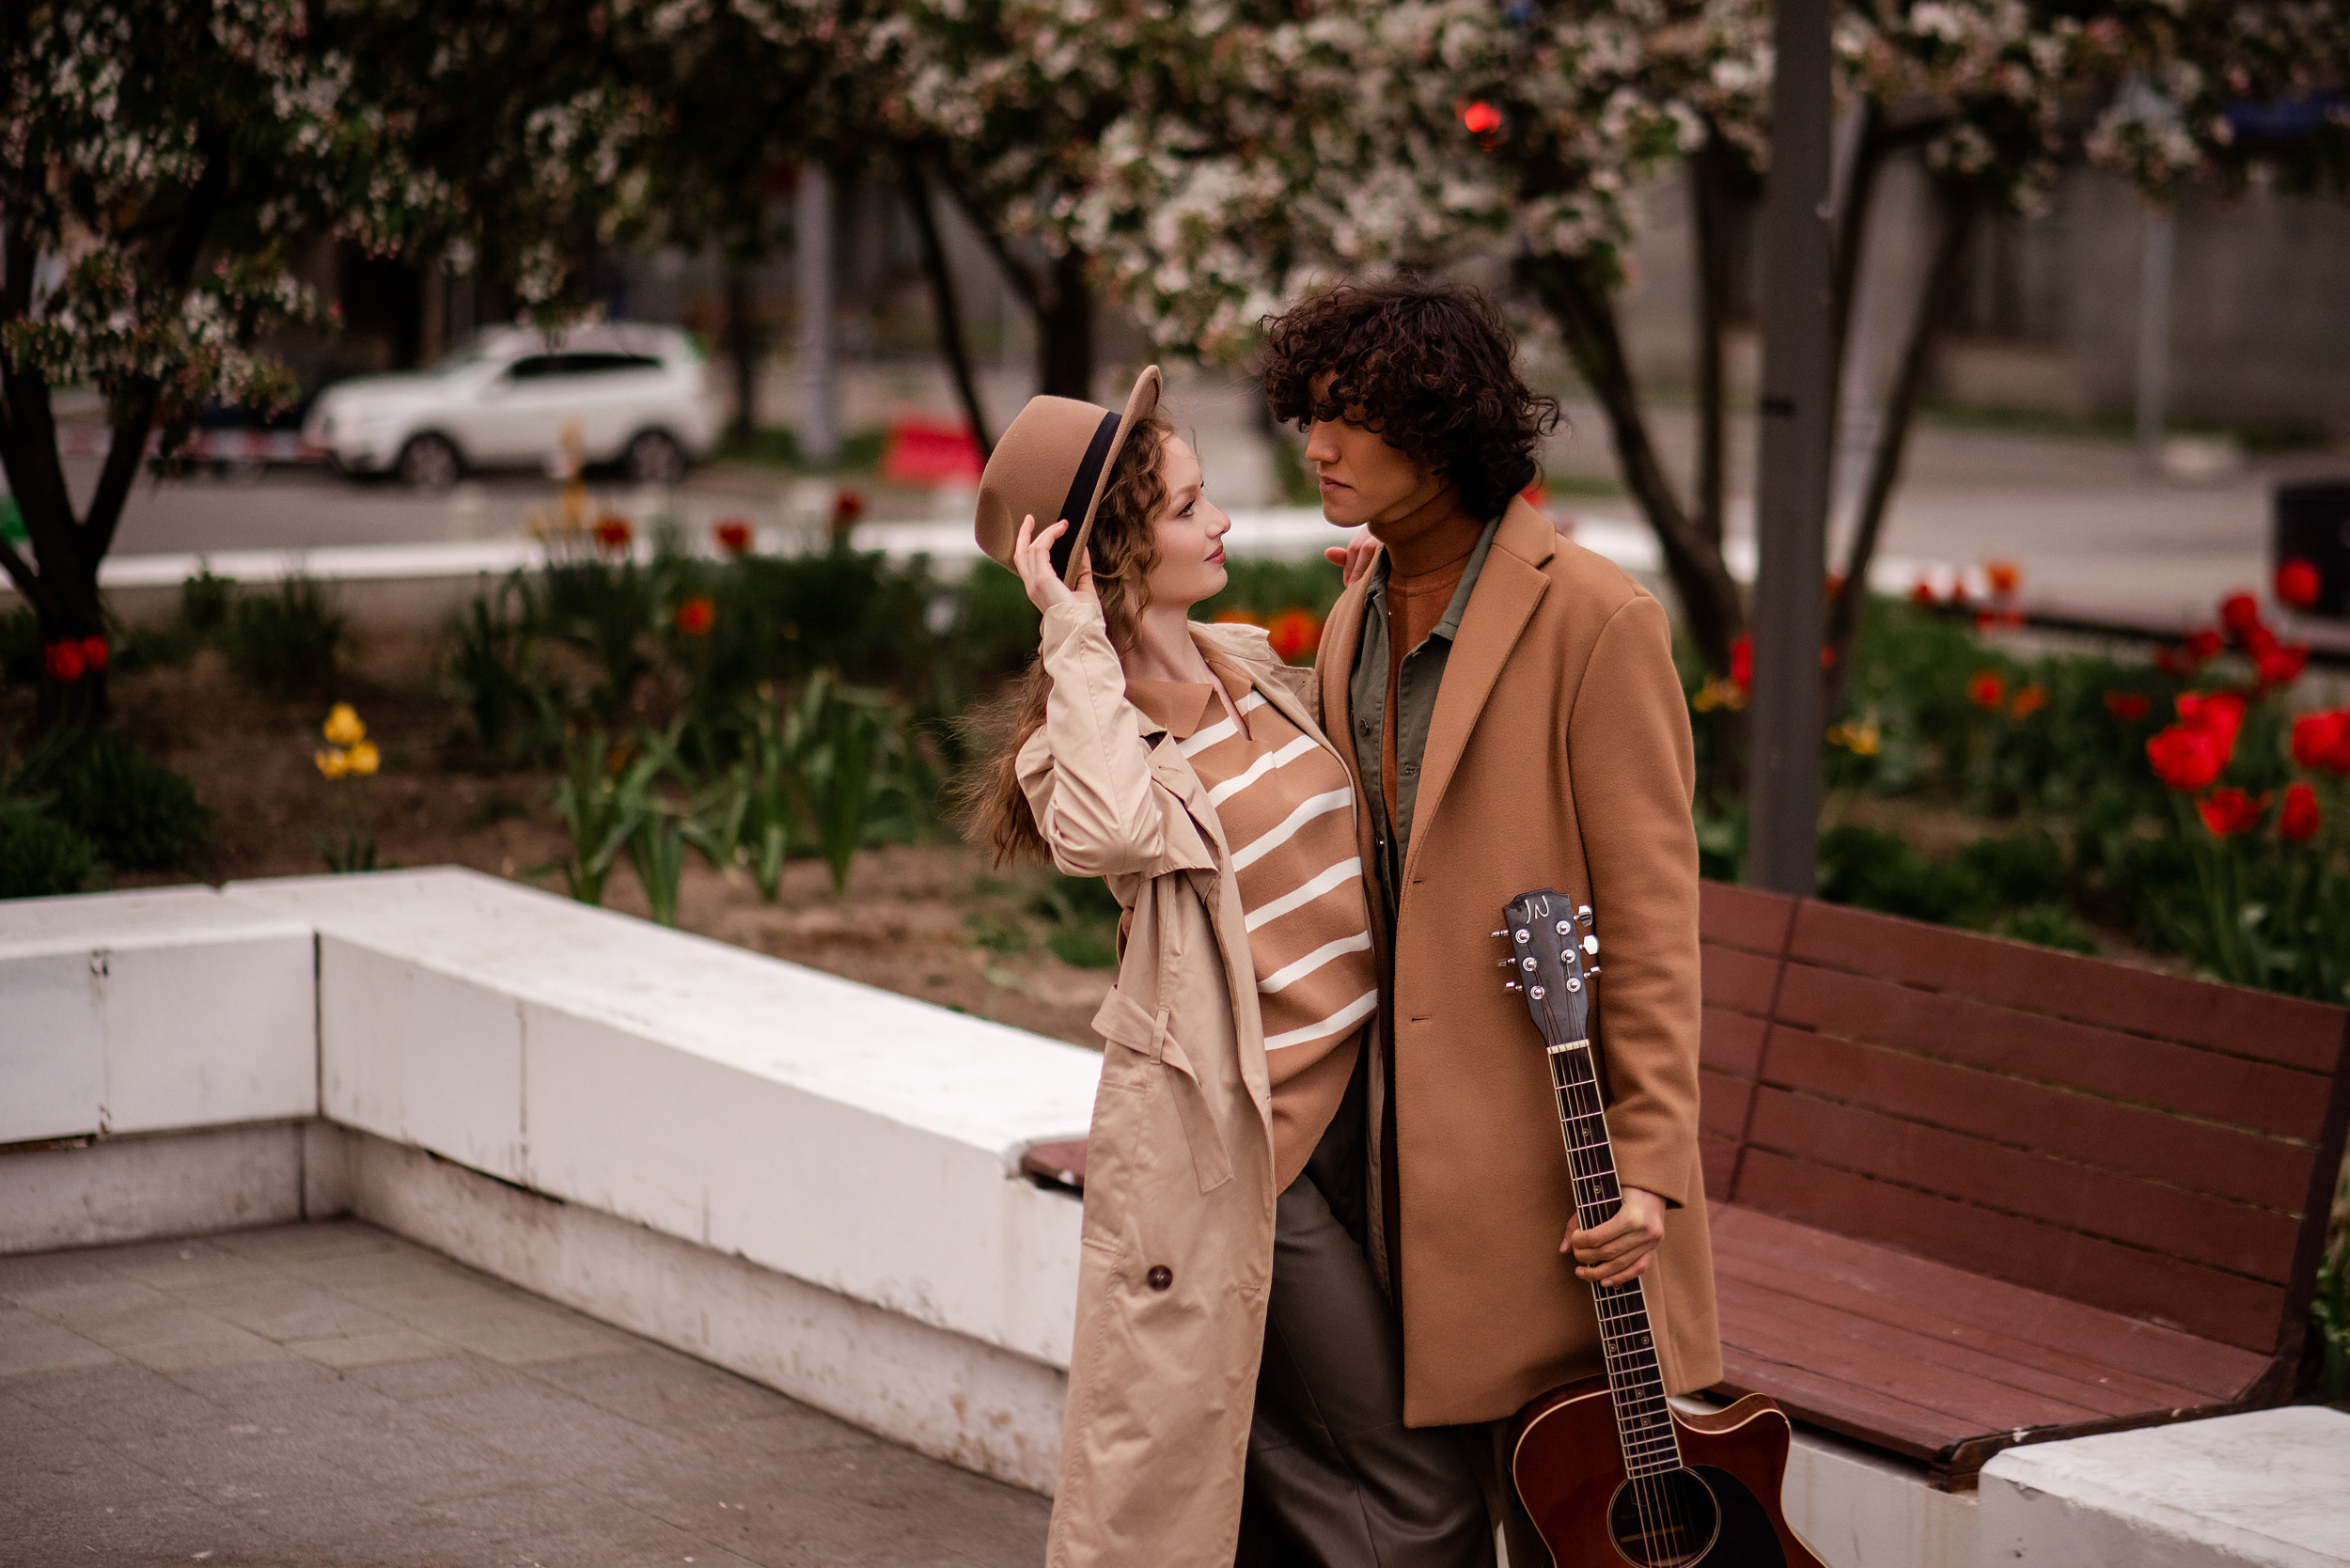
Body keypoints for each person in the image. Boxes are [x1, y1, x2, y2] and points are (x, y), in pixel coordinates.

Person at [965, 368, 1492, 1568]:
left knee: (1402, 1450)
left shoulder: (1247, 667)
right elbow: (1106, 831)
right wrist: (1072, 630)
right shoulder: (1086, 746)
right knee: (1426, 1496)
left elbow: (1386, 783)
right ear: (1109, 552)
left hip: (1382, 1118)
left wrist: (1381, 621)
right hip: (1263, 1156)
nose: (1223, 525)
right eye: (1190, 508)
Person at [1262, 276, 1723, 1560]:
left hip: (1548, 1175)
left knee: (1569, 1516)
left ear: (1443, 426)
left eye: (1352, 419)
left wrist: (1648, 1171)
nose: (1320, 446)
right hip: (1383, 1158)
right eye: (1310, 414)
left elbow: (1650, 924)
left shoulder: (1597, 620)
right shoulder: (1355, 610)